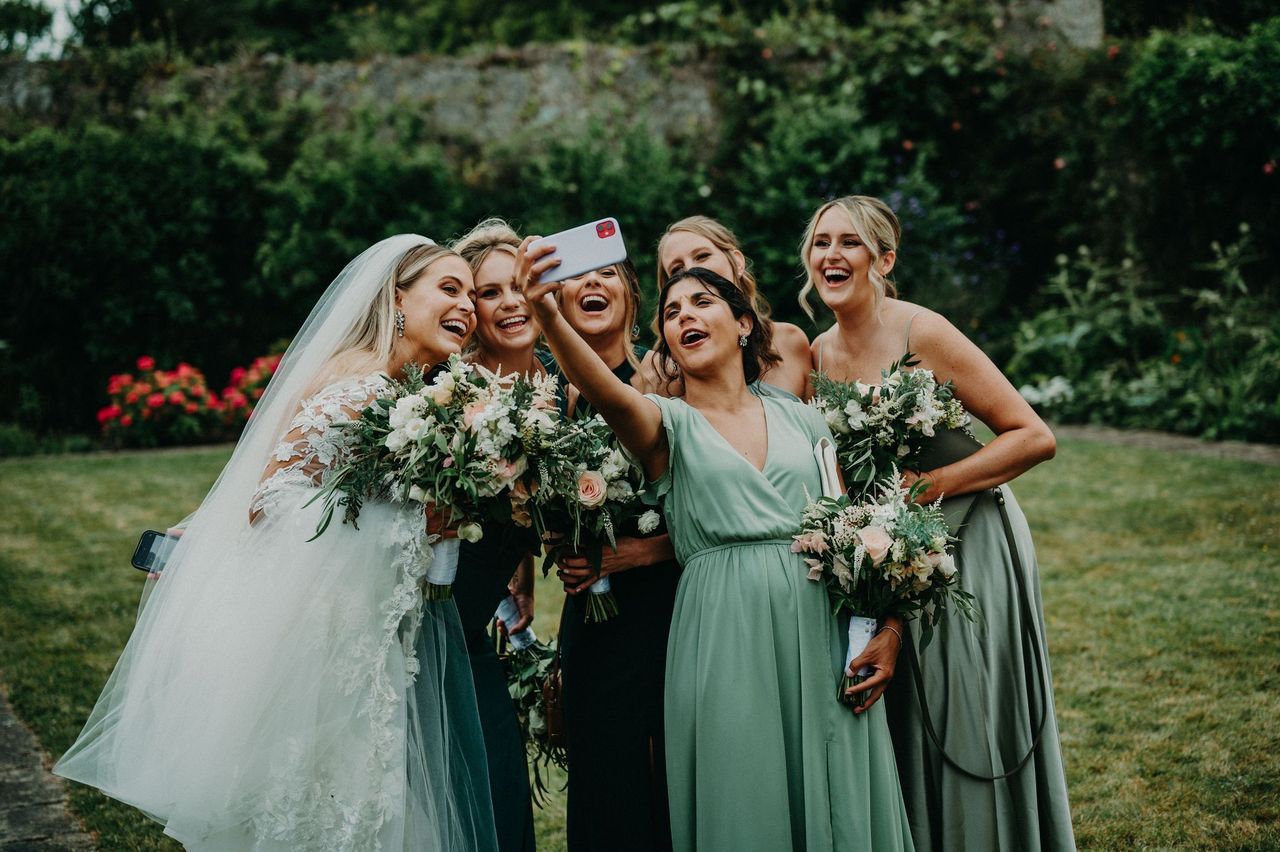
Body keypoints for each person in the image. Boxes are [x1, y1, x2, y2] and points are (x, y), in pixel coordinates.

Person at [54, 235, 500, 851]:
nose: (468, 307)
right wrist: (400, 525)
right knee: (312, 791)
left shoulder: (418, 399)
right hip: (316, 632)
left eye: (472, 297)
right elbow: (271, 496)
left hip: (373, 632)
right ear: (397, 297)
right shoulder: (356, 380)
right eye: (450, 289)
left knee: (367, 788)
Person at [519, 237, 914, 852]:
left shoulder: (805, 420)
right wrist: (546, 313)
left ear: (742, 324)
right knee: (743, 791)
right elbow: (604, 390)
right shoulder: (663, 423)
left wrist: (887, 629)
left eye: (702, 303)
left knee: (832, 789)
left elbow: (859, 538)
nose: (684, 318)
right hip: (720, 635)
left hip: (817, 633)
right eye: (672, 313)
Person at [802, 195, 1075, 851]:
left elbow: (1033, 436)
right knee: (902, 715)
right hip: (888, 555)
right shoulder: (815, 354)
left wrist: (931, 488)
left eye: (849, 243)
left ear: (883, 259)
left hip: (971, 543)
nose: (831, 256)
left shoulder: (922, 332)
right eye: (820, 244)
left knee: (963, 713)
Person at [546, 258, 681, 852]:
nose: (593, 284)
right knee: (600, 781)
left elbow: (717, 511)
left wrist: (637, 554)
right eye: (578, 275)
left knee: (657, 779)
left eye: (608, 274)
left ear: (629, 296)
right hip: (587, 621)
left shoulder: (664, 383)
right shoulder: (539, 403)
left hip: (660, 614)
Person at [449, 218, 542, 852]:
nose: (510, 303)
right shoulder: (446, 392)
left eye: (520, 287)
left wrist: (526, 569)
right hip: (432, 621)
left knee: (499, 801)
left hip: (482, 624)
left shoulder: (560, 388)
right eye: (490, 293)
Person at [655, 215, 812, 398]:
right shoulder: (665, 374)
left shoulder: (791, 342)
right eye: (677, 269)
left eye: (702, 256)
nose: (691, 271)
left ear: (737, 261)